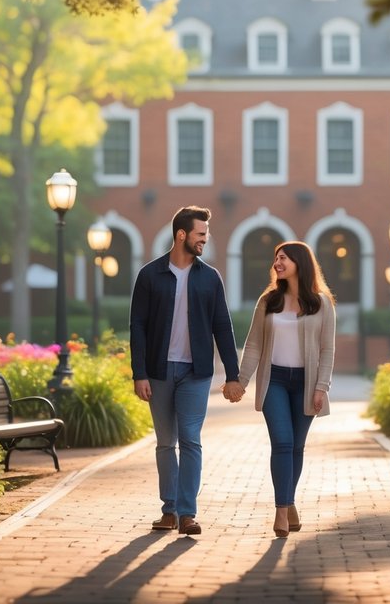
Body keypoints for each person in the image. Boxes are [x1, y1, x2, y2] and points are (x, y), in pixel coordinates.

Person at [130, 205, 240, 536]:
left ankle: (187, 513)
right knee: (166, 442)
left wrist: (233, 375)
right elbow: (138, 327)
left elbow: (223, 326)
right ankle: (169, 511)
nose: (205, 239)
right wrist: (139, 373)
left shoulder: (210, 278)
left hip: (196, 373)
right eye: (200, 234)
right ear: (182, 235)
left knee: (190, 439)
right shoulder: (150, 275)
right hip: (159, 372)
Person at [223, 240, 336, 538]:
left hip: (306, 383)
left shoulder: (322, 303)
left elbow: (328, 350)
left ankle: (289, 501)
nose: (277, 263)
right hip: (274, 381)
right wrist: (240, 381)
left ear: (300, 262)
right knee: (283, 443)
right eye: (276, 258)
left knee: (297, 447)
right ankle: (281, 512)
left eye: (284, 258)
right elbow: (254, 345)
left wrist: (321, 387)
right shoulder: (268, 301)